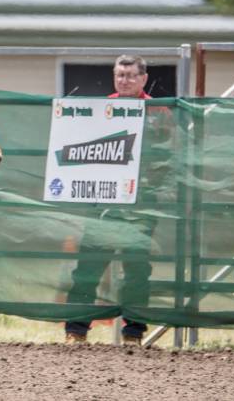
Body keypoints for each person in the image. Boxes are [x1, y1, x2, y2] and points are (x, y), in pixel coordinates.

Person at [65, 55, 162, 346]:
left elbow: (169, 154)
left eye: (131, 75)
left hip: (142, 201)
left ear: (143, 79)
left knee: (137, 269)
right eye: (120, 75)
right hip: (103, 201)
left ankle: (133, 332)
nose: (125, 80)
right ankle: (76, 330)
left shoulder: (159, 111)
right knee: (88, 266)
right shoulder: (100, 109)